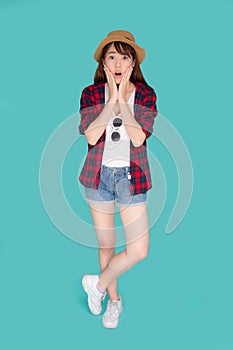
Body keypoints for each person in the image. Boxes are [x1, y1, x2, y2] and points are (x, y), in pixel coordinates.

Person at [78, 30, 158, 328]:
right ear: (103, 63)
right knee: (107, 245)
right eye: (112, 56)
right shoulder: (92, 93)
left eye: (124, 56)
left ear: (133, 63)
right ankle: (113, 301)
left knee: (139, 249)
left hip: (131, 176)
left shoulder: (146, 94)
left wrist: (123, 101)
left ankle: (96, 285)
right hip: (98, 177)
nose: (118, 62)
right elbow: (91, 134)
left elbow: (138, 138)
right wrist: (111, 97)